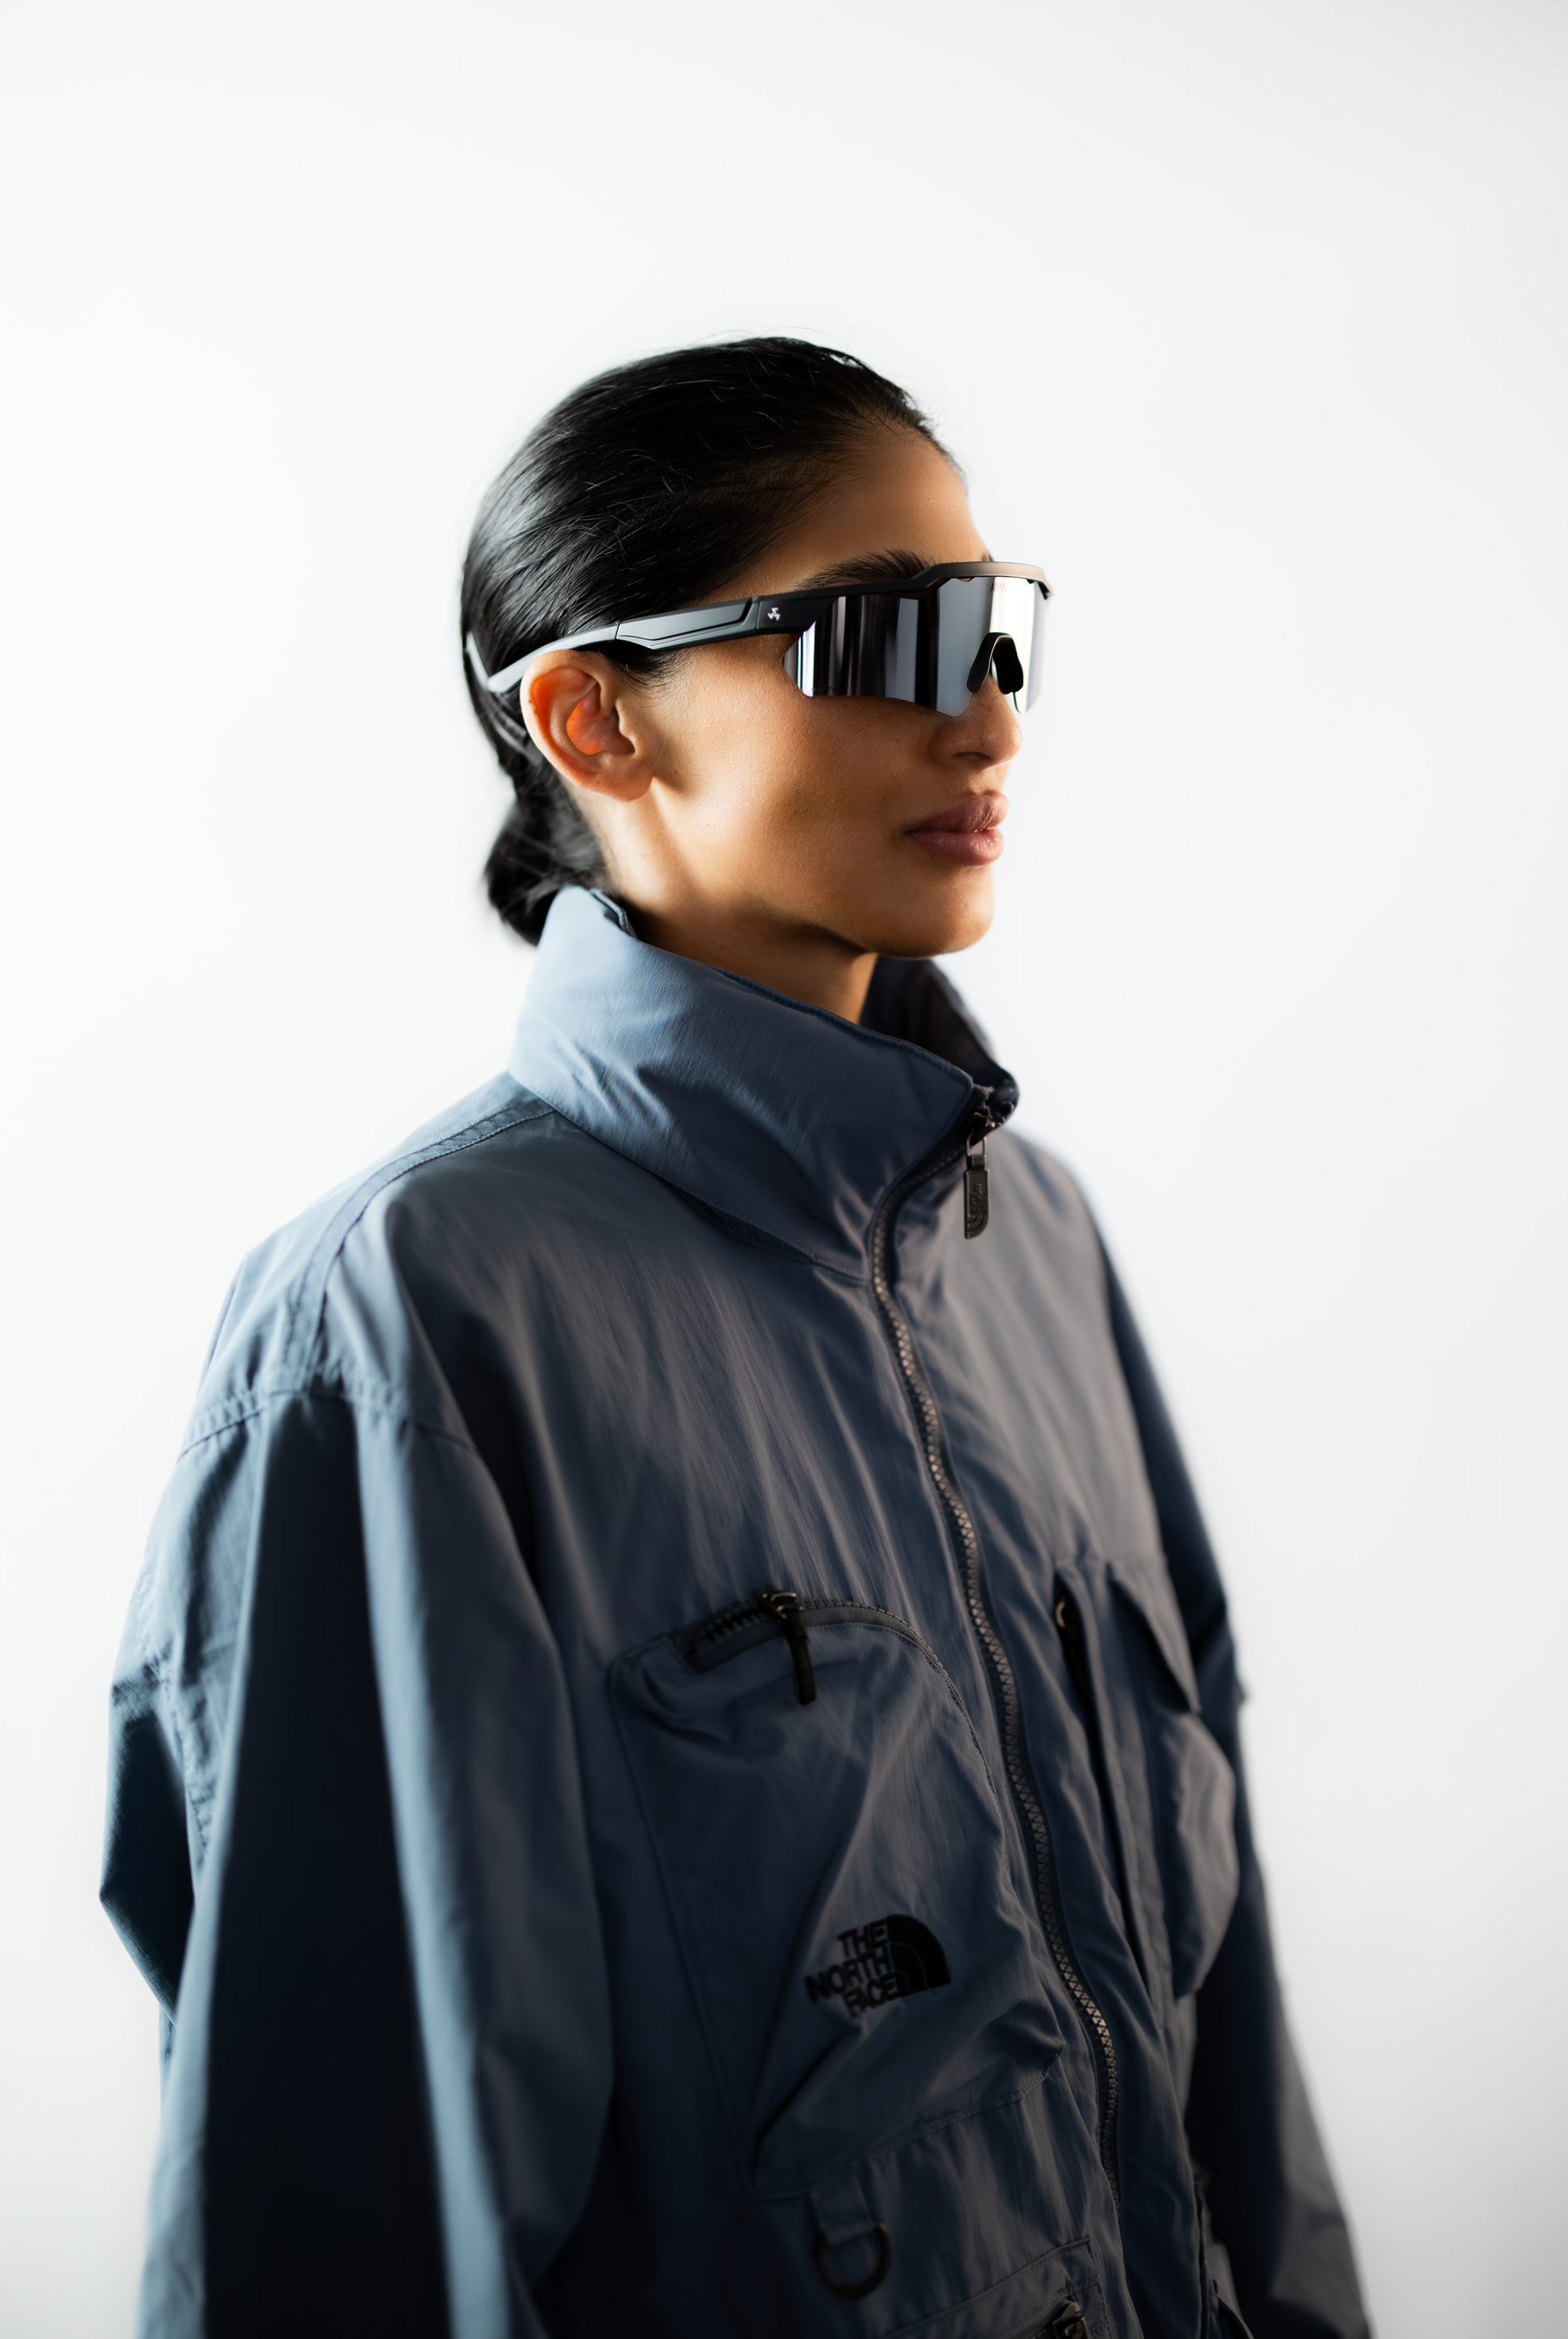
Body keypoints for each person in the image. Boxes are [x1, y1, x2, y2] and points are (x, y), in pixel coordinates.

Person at [101, 339, 1369, 2339]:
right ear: (595, 719)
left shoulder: (1028, 1237)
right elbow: (344, 2223)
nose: (987, 716)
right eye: (889, 633)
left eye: (1000, 630)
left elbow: (1236, 2089)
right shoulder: (404, 1324)